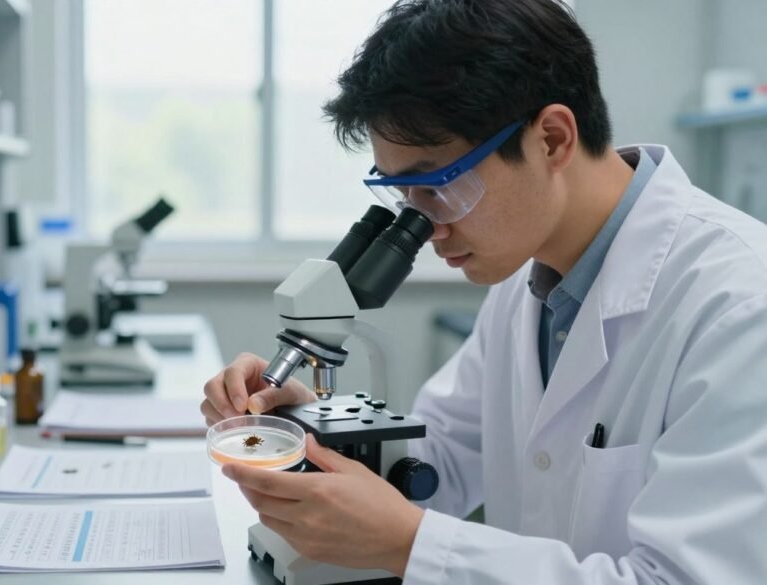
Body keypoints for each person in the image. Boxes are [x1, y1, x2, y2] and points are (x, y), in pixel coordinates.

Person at [201, 0, 767, 583]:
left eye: (439, 185)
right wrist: (310, 423)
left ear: (551, 138)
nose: (426, 230)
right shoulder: (528, 278)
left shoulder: (740, 305)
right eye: (404, 196)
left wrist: (414, 546)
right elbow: (437, 463)